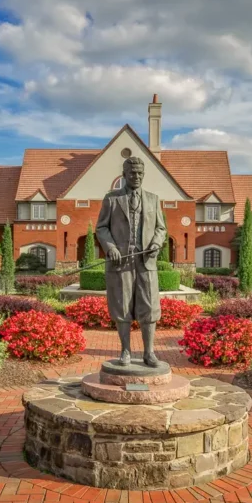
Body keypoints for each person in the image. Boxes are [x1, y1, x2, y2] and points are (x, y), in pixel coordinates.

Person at [96, 155, 166, 367]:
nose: (136, 176)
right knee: (122, 305)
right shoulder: (112, 199)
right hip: (121, 263)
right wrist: (111, 248)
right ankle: (125, 351)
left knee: (149, 306)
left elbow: (161, 228)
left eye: (140, 173)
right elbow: (102, 227)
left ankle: (149, 353)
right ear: (124, 175)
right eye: (132, 173)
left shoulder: (153, 199)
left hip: (146, 261)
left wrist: (156, 243)